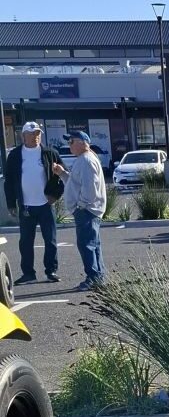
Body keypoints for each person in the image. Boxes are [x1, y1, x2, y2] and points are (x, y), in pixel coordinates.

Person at [2, 121, 64, 284]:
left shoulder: (50, 153)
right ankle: (28, 273)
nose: (35, 137)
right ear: (23, 136)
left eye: (37, 134)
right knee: (26, 242)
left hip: (46, 205)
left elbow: (62, 176)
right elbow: (8, 181)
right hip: (26, 206)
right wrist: (11, 204)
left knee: (50, 240)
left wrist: (55, 196)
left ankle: (51, 271)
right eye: (31, 134)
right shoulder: (15, 155)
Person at [52, 130, 107, 290]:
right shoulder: (85, 159)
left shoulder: (86, 160)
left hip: (87, 210)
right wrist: (62, 174)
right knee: (93, 243)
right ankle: (98, 276)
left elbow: (90, 189)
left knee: (86, 244)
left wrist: (80, 206)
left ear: (82, 142)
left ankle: (93, 278)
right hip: (89, 209)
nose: (68, 145)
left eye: (71, 141)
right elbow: (75, 183)